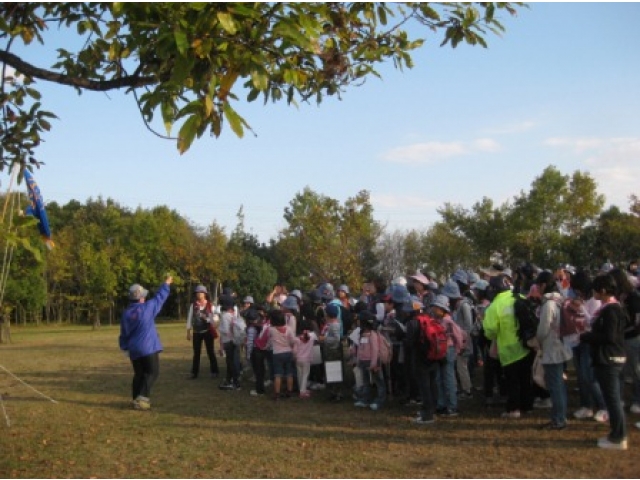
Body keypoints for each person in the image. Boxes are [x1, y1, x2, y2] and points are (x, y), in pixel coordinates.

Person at [580, 273, 629, 450]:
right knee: (613, 398)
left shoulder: (611, 310)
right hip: (611, 357)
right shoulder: (613, 308)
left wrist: (586, 336)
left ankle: (618, 436)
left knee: (613, 399)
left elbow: (609, 336)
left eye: (595, 290)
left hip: (609, 358)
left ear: (602, 290)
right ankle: (616, 433)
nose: (593, 293)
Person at [483, 274, 534, 419]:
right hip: (525, 345)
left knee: (512, 381)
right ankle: (527, 405)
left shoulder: (495, 306)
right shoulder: (520, 298)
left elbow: (490, 330)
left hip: (508, 349)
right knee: (525, 378)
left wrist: (493, 336)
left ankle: (513, 409)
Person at [119, 275, 173, 411]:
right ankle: (142, 399)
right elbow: (160, 298)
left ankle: (135, 398)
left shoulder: (126, 314)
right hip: (148, 348)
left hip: (134, 349)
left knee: (139, 374)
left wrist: (124, 347)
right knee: (152, 372)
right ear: (141, 297)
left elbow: (124, 333)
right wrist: (166, 284)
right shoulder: (147, 308)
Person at [534, 271, 572, 430]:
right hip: (562, 345)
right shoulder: (560, 299)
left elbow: (543, 328)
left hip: (552, 347)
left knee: (555, 385)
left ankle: (559, 419)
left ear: (543, 285)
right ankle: (560, 417)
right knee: (559, 385)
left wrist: (537, 340)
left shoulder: (549, 303)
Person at [430, 294, 463, 417]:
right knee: (439, 378)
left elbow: (458, 336)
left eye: (436, 307)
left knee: (448, 378)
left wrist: (457, 350)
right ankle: (441, 404)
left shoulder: (448, 321)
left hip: (448, 350)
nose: (434, 309)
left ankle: (452, 406)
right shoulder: (436, 320)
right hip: (438, 351)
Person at [353, 310, 386, 411]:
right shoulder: (362, 335)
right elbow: (360, 348)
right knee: (365, 381)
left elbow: (375, 350)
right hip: (363, 362)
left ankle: (380, 401)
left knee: (379, 381)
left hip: (373, 363)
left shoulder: (373, 335)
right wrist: (358, 360)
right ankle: (365, 399)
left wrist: (374, 363)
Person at [186, 285, 219, 379]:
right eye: (197, 292)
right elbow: (189, 318)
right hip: (196, 332)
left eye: (200, 292)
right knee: (196, 353)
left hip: (207, 331)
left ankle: (214, 371)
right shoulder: (193, 305)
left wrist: (207, 319)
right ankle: (194, 373)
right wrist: (188, 332)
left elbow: (215, 320)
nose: (198, 294)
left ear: (204, 294)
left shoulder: (210, 305)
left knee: (210, 352)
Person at [269, 309, 296, 400]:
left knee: (278, 374)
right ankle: (289, 392)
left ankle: (277, 393)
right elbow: (293, 340)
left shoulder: (271, 330)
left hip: (277, 353)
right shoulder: (288, 329)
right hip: (288, 352)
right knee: (289, 373)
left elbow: (268, 339)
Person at [218, 295, 242, 390]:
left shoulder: (224, 316)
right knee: (234, 361)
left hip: (229, 341)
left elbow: (224, 331)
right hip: (235, 341)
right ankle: (231, 380)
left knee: (231, 362)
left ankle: (234, 382)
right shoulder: (233, 315)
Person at [293, 318, 318, 399]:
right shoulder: (313, 335)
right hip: (307, 359)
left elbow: (294, 350)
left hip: (298, 359)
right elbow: (317, 340)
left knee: (299, 375)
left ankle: (301, 388)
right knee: (305, 375)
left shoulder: (297, 338)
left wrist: (294, 357)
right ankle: (303, 391)